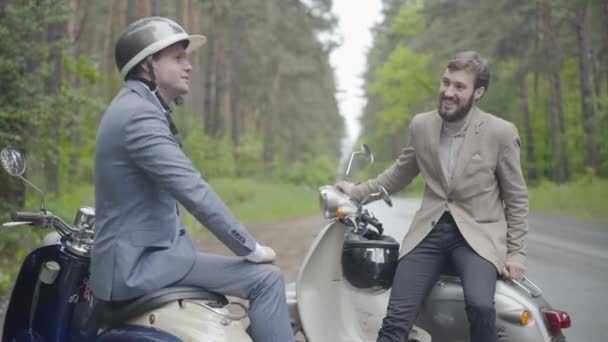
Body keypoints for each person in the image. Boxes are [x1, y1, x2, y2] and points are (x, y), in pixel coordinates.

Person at [90, 16, 294, 342]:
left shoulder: (139, 107)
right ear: (147, 66)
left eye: (188, 58)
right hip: (138, 269)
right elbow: (192, 190)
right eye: (177, 57)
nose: (189, 66)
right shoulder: (138, 115)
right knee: (266, 279)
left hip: (146, 259)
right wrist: (250, 248)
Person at [337, 51, 528, 342]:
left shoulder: (500, 133)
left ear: (478, 92)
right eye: (446, 82)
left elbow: (516, 198)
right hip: (429, 232)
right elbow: (399, 174)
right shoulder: (422, 125)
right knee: (396, 318)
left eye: (459, 87)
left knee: (479, 305)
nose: (448, 92)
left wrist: (515, 252)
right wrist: (358, 192)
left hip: (478, 236)